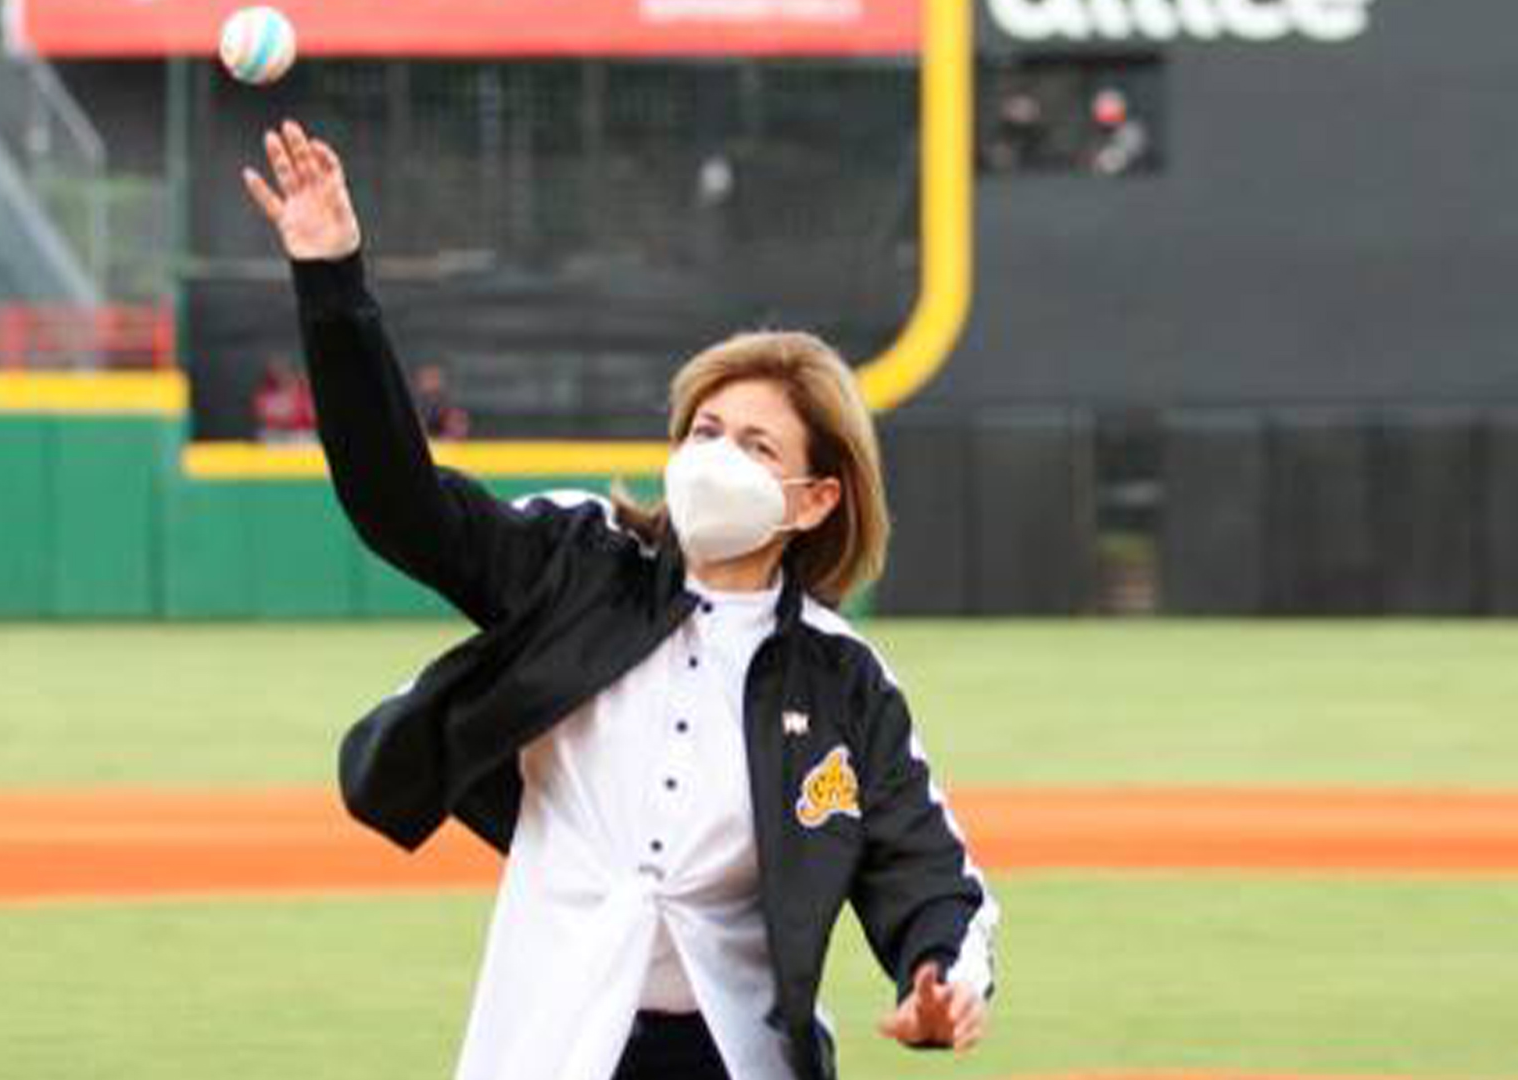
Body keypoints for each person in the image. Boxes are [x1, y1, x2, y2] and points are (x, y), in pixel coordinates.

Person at [243, 120, 997, 1080]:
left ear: (815, 500)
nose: (717, 456)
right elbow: (401, 502)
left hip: (732, 1055)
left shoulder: (843, 680)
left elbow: (924, 866)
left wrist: (941, 976)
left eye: (757, 446)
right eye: (705, 430)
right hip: (553, 1036)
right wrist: (332, 282)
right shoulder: (575, 565)